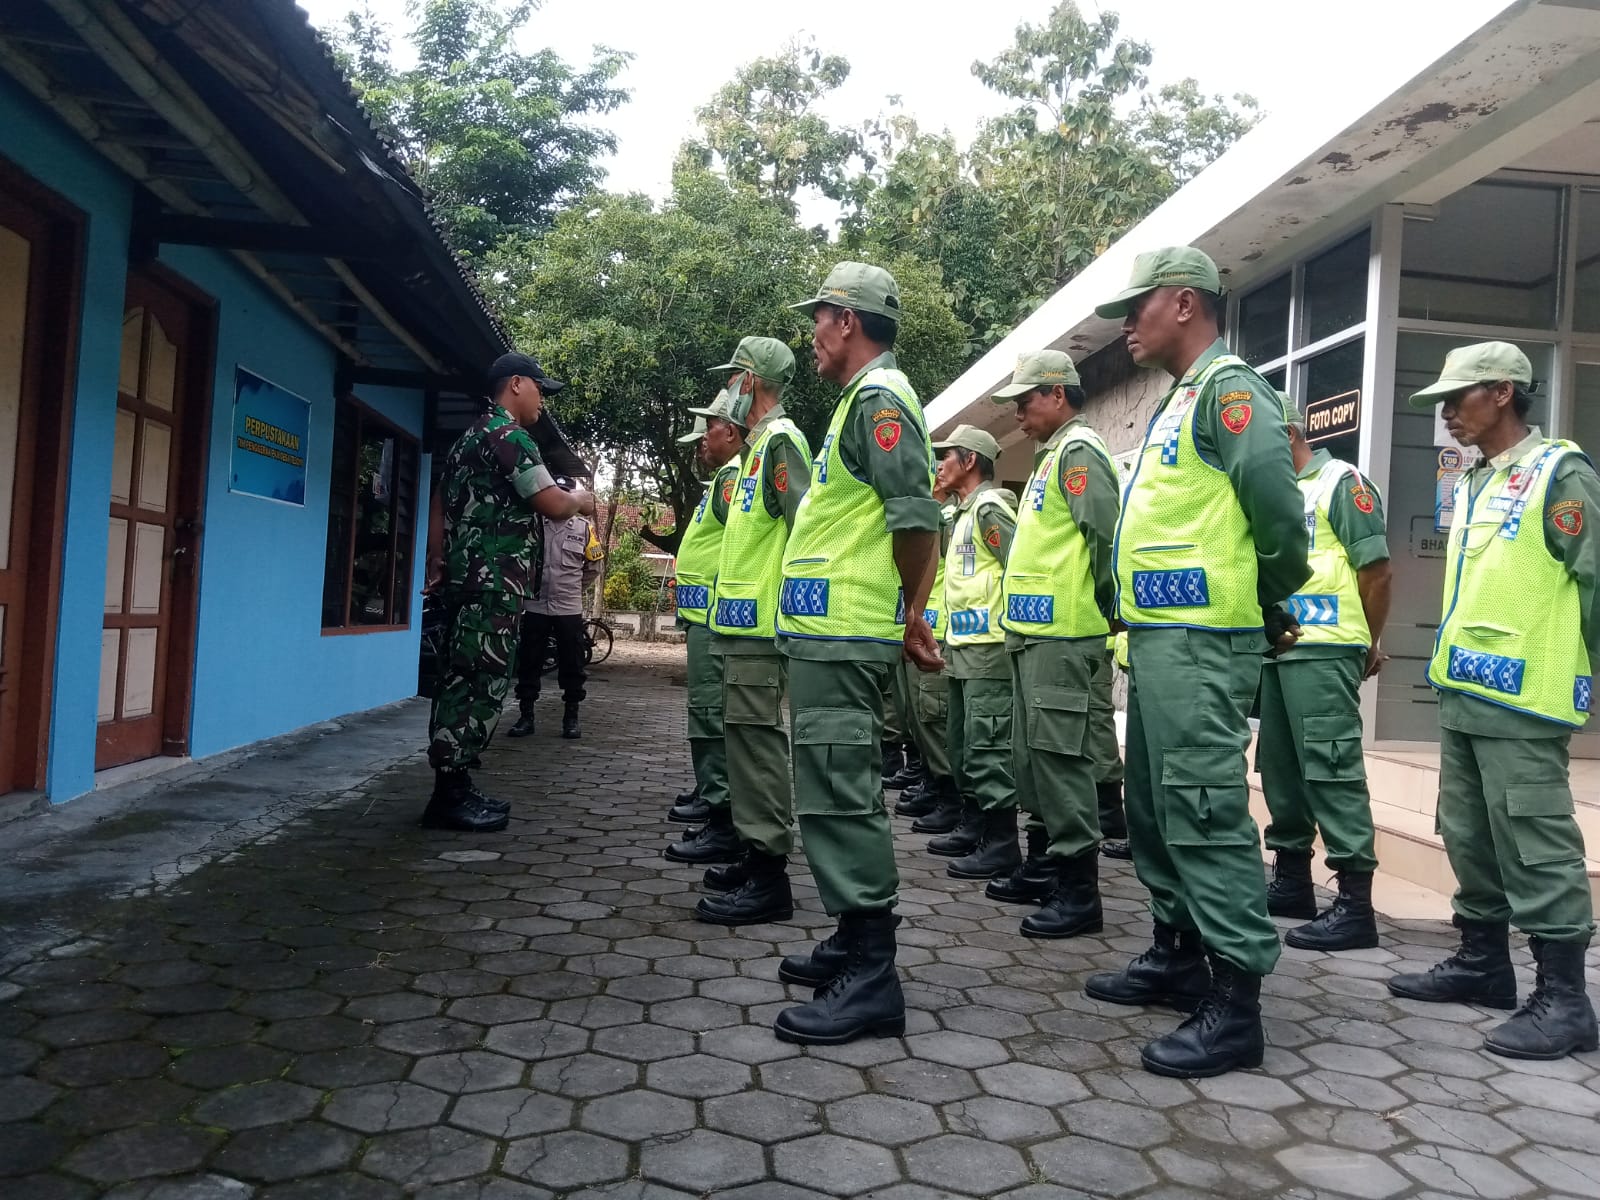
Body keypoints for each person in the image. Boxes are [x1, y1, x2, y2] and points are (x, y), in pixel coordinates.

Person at [1085, 247, 1310, 1079]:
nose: (1125, 322)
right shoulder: (1179, 401)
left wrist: (1269, 593)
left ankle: (1235, 1004)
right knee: (1154, 807)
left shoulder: (1231, 390)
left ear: (1184, 303)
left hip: (1206, 639)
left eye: (1136, 306)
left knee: (1205, 811)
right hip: (1161, 639)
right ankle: (1175, 951)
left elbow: (1278, 514)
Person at [1389, 342, 1599, 1061]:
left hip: (1525, 698)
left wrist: (1580, 670)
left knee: (1536, 844)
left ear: (1504, 392)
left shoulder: (1560, 473)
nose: (1447, 413)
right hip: (1467, 693)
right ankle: (1483, 962)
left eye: (1459, 398)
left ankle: (1566, 1001)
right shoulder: (1479, 481)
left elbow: (1594, 587)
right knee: (1472, 838)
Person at [771, 262, 943, 1045]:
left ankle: (873, 975)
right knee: (829, 787)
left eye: (819, 319)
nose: (812, 335)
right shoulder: (857, 404)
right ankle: (851, 938)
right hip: (828, 634)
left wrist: (912, 611)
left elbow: (914, 517)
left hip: (847, 636)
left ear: (846, 320)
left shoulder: (878, 401)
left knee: (841, 795)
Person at [672, 339, 814, 930]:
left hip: (759, 629)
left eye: (731, 377)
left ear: (750, 381)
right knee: (742, 745)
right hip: (737, 627)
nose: (726, 388)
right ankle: (755, 858)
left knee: (757, 750)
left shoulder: (781, 443)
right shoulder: (757, 451)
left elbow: (805, 526)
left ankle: (769, 875)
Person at [422, 352, 593, 832]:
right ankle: (449, 794)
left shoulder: (469, 440)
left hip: (471, 581)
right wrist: (579, 498)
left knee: (462, 675)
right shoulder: (510, 436)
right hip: (493, 584)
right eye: (540, 388)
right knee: (480, 680)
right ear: (516, 384)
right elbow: (554, 504)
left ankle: (456, 784)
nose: (543, 400)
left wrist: (437, 555)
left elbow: (440, 497)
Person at [990, 351, 1121, 938]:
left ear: (1058, 394)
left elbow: (1104, 538)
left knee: (1063, 763)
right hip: (1036, 635)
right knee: (1035, 759)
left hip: (1065, 634)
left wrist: (1103, 605)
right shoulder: (1050, 459)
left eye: (1025, 400)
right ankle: (1046, 865)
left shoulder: (1078, 453)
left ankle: (1078, 892)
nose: (1018, 412)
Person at [1259, 391, 1392, 951]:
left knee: (1331, 770)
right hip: (1280, 653)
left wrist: (1368, 640)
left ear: (1287, 434)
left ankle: (1355, 905)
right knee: (1281, 771)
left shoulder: (1341, 483)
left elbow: (1377, 571)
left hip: (1327, 648)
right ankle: (1292, 881)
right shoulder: (1276, 494)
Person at [930, 425, 1021, 882]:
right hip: (964, 647)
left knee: (987, 746)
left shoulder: (990, 508)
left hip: (989, 648)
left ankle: (1002, 843)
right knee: (964, 744)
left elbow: (1018, 566)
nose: (938, 465)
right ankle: (977, 825)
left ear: (969, 462)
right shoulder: (964, 512)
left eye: (945, 457)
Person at [665, 399, 746, 831]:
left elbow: (742, 544)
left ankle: (720, 801)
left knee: (710, 710)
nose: (699, 447)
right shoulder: (721, 481)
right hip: (705, 616)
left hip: (715, 618)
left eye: (704, 437)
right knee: (708, 709)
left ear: (729, 433)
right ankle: (711, 786)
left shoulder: (734, 479)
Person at [507, 477, 601, 740]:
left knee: (572, 665)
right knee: (529, 663)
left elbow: (593, 568)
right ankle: (526, 717)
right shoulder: (534, 525)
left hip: (568, 609)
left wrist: (571, 590)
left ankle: (571, 718)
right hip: (535, 606)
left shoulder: (584, 529)